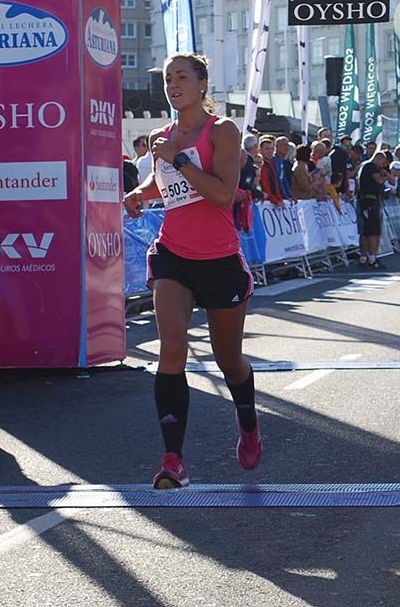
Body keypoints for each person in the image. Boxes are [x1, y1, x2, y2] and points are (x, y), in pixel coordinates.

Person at [122, 53, 260, 489]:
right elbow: (164, 186)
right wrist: (139, 194)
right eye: (167, 77)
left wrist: (180, 158)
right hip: (173, 255)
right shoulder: (162, 136)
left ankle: (248, 420)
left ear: (202, 84)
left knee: (228, 361)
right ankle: (173, 459)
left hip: (219, 258)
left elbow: (222, 195)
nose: (173, 83)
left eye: (182, 76)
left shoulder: (222, 131)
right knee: (172, 349)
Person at [356, 151, 389, 269]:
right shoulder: (370, 166)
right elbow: (379, 180)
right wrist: (385, 175)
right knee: (373, 232)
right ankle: (371, 258)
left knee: (365, 231)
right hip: (369, 202)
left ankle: (364, 257)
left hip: (366, 201)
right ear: (379, 158)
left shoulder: (364, 166)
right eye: (383, 163)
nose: (382, 166)